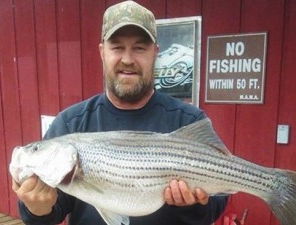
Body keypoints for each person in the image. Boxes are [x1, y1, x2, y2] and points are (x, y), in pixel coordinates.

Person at [12, 1, 228, 224]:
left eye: (139, 48)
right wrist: (36, 208)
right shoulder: (70, 124)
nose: (127, 59)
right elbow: (50, 214)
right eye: (117, 47)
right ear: (102, 52)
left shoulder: (189, 120)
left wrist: (194, 206)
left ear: (155, 53)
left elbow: (217, 202)